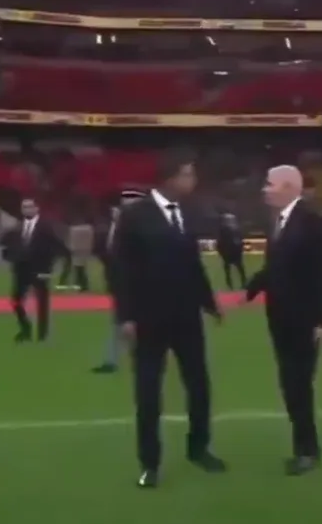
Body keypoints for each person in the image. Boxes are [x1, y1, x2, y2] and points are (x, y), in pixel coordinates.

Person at [112, 150, 225, 489]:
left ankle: (199, 448)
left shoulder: (187, 212)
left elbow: (193, 264)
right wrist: (126, 316)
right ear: (171, 177)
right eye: (188, 174)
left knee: (199, 385)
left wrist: (209, 303)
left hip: (187, 315)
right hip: (148, 318)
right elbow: (121, 270)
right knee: (149, 393)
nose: (194, 180)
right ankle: (150, 463)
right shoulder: (135, 216)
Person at [244, 166, 322, 475]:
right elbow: (275, 266)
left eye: (269, 184)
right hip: (279, 318)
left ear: (288, 187)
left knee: (298, 386)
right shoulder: (279, 221)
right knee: (289, 385)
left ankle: (307, 450)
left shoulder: (310, 221)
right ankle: (305, 448)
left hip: (303, 320)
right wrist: (252, 289)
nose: (264, 189)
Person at [92, 189, 146, 374]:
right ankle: (116, 360)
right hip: (122, 284)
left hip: (140, 285)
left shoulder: (144, 228)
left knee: (131, 323)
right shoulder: (120, 228)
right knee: (121, 322)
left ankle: (121, 359)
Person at [7, 197, 59, 343]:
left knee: (42, 303)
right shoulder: (18, 226)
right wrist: (13, 259)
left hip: (40, 269)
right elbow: (13, 245)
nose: (27, 209)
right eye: (24, 207)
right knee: (16, 301)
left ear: (37, 208)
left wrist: (48, 269)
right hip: (21, 270)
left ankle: (42, 335)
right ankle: (25, 328)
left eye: (30, 206)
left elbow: (53, 248)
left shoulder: (45, 226)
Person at [216, 213, 247, 290]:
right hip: (231, 251)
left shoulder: (226, 230)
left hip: (230, 251)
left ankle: (232, 284)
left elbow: (220, 242)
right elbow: (240, 241)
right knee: (238, 268)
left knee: (231, 268)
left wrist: (220, 251)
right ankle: (241, 282)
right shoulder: (233, 230)